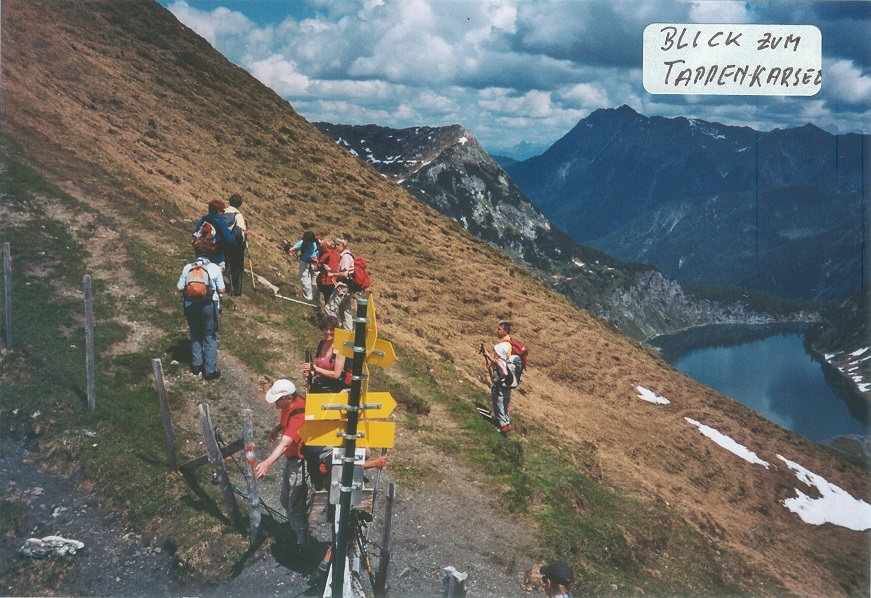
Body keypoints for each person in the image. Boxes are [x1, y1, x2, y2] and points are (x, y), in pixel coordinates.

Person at [306, 448, 389, 589]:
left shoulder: (330, 449)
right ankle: (325, 569)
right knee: (343, 533)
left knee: (341, 533)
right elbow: (343, 468)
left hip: (336, 494)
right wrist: (375, 463)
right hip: (340, 495)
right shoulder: (333, 453)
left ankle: (324, 568)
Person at [254, 379, 310, 550]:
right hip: (291, 460)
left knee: (295, 506)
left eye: (278, 400)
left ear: (288, 398)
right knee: (285, 500)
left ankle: (302, 543)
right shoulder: (288, 407)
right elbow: (285, 422)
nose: (275, 403)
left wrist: (267, 463)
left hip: (300, 464)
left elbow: (285, 443)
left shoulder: (299, 415)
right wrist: (277, 428)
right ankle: (294, 529)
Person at [176, 255, 225, 380]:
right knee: (209, 336)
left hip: (190, 305)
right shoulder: (214, 268)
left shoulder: (188, 267)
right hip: (208, 305)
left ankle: (196, 365)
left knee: (195, 334)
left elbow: (179, 287)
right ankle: (210, 370)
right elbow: (222, 290)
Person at [482, 320, 514, 438]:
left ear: (505, 331)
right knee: (505, 401)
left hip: (501, 376)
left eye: (499, 329)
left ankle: (503, 427)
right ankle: (507, 425)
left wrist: (489, 357)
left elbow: (500, 363)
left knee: (498, 400)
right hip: (509, 379)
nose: (497, 331)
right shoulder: (510, 343)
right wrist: (492, 363)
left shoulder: (502, 345)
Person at [302, 315, 349, 394]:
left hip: (333, 389)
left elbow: (336, 375)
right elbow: (320, 370)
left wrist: (315, 368)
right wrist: (310, 373)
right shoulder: (321, 344)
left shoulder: (340, 349)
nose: (328, 332)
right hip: (319, 385)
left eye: (331, 329)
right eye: (326, 329)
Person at [192, 199, 235, 272]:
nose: (223, 213)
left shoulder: (203, 220)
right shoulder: (221, 222)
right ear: (218, 211)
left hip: (202, 256)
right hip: (216, 257)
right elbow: (228, 240)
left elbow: (194, 236)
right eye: (222, 211)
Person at [324, 237, 355, 330]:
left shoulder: (345, 257)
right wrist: (330, 270)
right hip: (348, 286)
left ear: (344, 246)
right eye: (335, 244)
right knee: (345, 310)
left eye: (338, 245)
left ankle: (332, 329)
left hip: (342, 286)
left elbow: (345, 274)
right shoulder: (348, 256)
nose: (336, 246)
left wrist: (332, 273)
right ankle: (348, 332)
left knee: (330, 307)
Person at [222, 193, 248, 296]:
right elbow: (242, 231)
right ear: (240, 204)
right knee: (237, 266)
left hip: (224, 243)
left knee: (225, 263)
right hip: (235, 245)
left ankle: (221, 285)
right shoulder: (238, 215)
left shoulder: (223, 212)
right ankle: (236, 289)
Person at [284, 230, 320, 302]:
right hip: (304, 263)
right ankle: (308, 300)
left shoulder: (318, 243)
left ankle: (316, 302)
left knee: (315, 284)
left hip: (316, 263)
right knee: (306, 283)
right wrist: (287, 247)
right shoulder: (302, 243)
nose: (308, 243)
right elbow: (291, 252)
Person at [314, 238, 341, 311]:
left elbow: (318, 267)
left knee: (327, 300)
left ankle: (324, 314)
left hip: (326, 281)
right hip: (336, 280)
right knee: (332, 301)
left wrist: (316, 261)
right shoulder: (338, 254)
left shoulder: (327, 254)